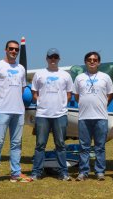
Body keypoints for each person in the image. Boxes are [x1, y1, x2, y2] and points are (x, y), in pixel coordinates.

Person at [0, 40, 32, 185]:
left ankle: (15, 173)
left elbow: (23, 89)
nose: (14, 51)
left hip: (18, 111)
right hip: (2, 111)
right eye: (11, 49)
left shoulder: (21, 69)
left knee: (16, 144)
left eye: (16, 49)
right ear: (5, 49)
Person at [30, 48, 73, 181]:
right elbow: (34, 92)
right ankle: (36, 172)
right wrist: (41, 102)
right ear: (47, 58)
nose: (53, 59)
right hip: (43, 114)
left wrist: (61, 104)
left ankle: (63, 172)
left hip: (60, 114)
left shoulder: (65, 75)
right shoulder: (39, 74)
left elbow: (69, 93)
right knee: (40, 144)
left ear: (59, 59)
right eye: (50, 57)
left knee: (60, 144)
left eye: (55, 57)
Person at [73, 51, 113, 181]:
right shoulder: (79, 78)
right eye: (89, 59)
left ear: (99, 62)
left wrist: (101, 105)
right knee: (84, 146)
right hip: (84, 117)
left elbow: (110, 94)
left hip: (101, 117)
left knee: (99, 146)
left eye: (95, 60)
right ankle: (83, 172)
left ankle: (99, 171)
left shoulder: (105, 77)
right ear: (85, 62)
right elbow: (77, 95)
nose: (92, 62)